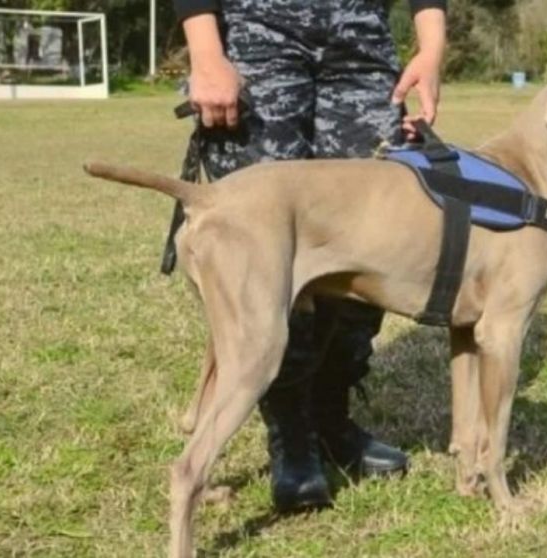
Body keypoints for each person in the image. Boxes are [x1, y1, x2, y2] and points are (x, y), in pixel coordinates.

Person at [171, 0, 447, 513]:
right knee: (266, 257)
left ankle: (329, 414)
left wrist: (432, 47)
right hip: (260, 35)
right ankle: (291, 434)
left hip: (361, 43)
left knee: (371, 239)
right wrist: (205, 51)